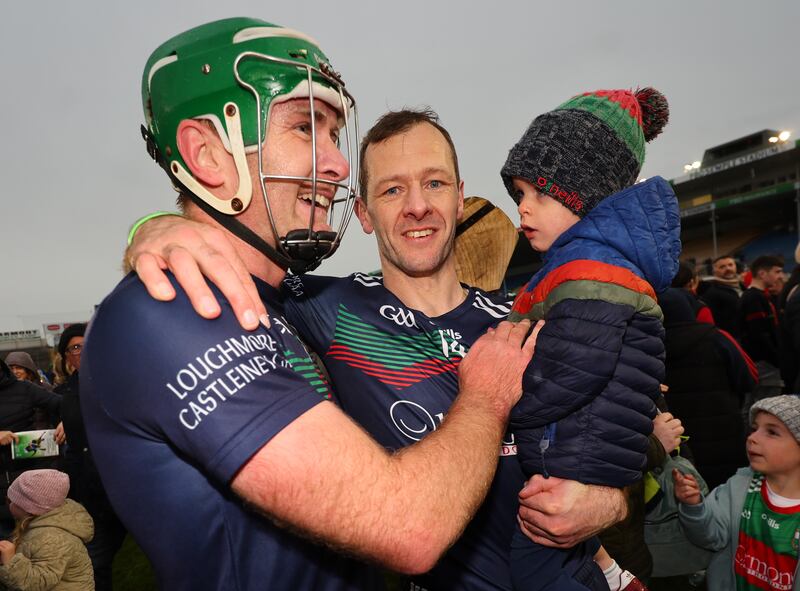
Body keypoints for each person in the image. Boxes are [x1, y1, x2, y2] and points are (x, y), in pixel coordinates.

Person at [82, 18, 544, 590]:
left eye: (334, 135)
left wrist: (153, 226)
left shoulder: (275, 304)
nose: (338, 165)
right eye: (306, 129)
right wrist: (486, 395)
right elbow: (407, 525)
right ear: (206, 154)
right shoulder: (168, 310)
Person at [125, 108, 631, 591]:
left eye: (434, 183)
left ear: (459, 198)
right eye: (393, 189)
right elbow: (237, 267)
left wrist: (608, 503)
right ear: (364, 213)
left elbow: (620, 437)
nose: (417, 205)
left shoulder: (525, 319)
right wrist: (156, 227)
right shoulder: (324, 306)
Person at [499, 87, 679, 590]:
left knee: (534, 566)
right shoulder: (577, 264)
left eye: (538, 193)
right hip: (582, 453)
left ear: (585, 193)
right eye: (518, 196)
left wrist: (501, 399)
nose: (523, 212)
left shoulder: (590, 269)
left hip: (576, 458)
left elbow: (571, 371)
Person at [674, 394, 800, 590]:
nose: (752, 438)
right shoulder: (739, 486)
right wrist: (694, 506)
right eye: (755, 429)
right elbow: (711, 536)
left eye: (772, 432)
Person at [658, 287, 756, 490]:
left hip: (679, 449)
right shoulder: (716, 337)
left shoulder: (646, 348)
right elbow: (749, 378)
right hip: (726, 441)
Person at [54, 323, 125, 591]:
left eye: (87, 344)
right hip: (91, 491)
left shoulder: (121, 380)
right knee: (96, 563)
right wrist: (60, 421)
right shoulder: (64, 394)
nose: (82, 351)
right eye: (74, 347)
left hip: (130, 484)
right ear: (67, 357)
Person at [0, 469, 94, 590]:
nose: (8, 505)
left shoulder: (53, 539)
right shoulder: (39, 525)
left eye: (10, 501)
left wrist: (11, 562)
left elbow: (39, 582)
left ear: (29, 508)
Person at [0, 358, 61, 538]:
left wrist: (65, 422)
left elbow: (64, 404)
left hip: (29, 488)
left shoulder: (23, 389)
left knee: (39, 549)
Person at [740, 255, 785, 402]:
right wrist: (777, 358)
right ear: (762, 273)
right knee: (766, 404)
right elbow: (759, 334)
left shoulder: (762, 296)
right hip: (764, 364)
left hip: (765, 361)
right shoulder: (753, 298)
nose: (780, 276)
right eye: (777, 272)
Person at [699, 255, 743, 339]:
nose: (728, 269)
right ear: (714, 271)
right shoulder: (712, 293)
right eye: (722, 267)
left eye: (730, 265)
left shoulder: (743, 286)